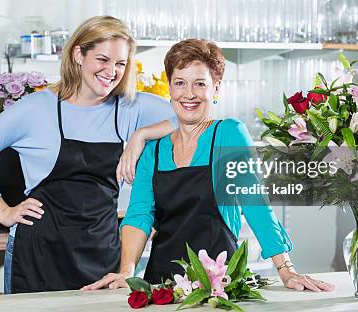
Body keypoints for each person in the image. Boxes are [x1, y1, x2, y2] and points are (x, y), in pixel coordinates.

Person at [83, 39, 335, 292]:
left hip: (220, 285)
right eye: (180, 83)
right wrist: (127, 270)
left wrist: (286, 270)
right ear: (170, 88)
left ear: (215, 88)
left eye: (199, 84)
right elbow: (139, 215)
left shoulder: (228, 134)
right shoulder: (154, 150)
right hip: (161, 286)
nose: (189, 94)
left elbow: (255, 203)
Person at [0, 16, 176, 294]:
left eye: (120, 64)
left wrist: (140, 135)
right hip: (37, 255)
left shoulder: (132, 108)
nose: (111, 71)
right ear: (78, 54)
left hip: (102, 256)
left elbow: (194, 117)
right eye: (103, 60)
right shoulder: (37, 108)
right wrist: (3, 211)